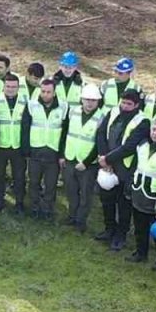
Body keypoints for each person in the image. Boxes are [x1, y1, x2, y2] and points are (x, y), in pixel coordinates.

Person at [106, 118, 156, 271]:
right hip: (139, 191)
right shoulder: (142, 144)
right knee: (139, 226)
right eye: (154, 130)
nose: (155, 133)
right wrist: (130, 185)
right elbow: (136, 166)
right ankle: (140, 252)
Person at [94, 89, 148, 251]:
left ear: (137, 105)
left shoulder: (143, 121)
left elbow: (129, 146)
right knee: (106, 200)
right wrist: (104, 157)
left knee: (123, 205)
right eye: (123, 102)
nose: (125, 106)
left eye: (129, 104)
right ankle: (109, 229)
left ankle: (120, 235)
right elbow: (101, 133)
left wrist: (108, 159)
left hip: (126, 169)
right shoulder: (113, 112)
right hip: (108, 164)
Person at [59, 84, 107, 233]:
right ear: (82, 99)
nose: (89, 103)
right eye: (87, 99)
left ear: (98, 101)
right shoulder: (73, 112)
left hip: (88, 164)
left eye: (93, 100)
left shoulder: (102, 118)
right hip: (70, 158)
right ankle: (72, 216)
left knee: (86, 195)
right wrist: (62, 155)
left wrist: (86, 163)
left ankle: (81, 222)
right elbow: (64, 134)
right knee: (71, 191)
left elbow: (99, 144)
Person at [21, 79, 66, 221]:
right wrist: (26, 149)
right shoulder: (31, 105)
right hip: (36, 150)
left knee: (51, 184)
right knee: (33, 182)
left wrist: (61, 153)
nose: (45, 94)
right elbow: (25, 128)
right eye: (43, 91)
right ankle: (34, 208)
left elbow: (65, 132)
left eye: (49, 92)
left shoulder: (63, 107)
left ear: (54, 92)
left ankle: (47, 210)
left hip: (53, 152)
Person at [0, 74, 26, 213]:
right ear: (3, 87)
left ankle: (19, 203)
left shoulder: (25, 101)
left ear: (18, 87)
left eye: (14, 87)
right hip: (1, 145)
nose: (11, 89)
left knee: (19, 176)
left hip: (18, 146)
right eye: (8, 86)